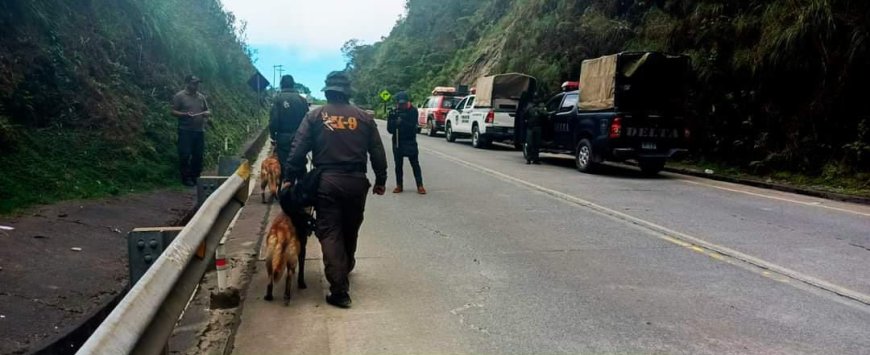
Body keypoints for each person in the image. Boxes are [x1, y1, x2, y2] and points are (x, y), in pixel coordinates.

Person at [283, 71, 388, 308]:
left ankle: (339, 290)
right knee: (350, 228)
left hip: (327, 182)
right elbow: (377, 152)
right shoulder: (364, 118)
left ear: (328, 91)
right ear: (347, 92)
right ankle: (345, 266)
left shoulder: (315, 116)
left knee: (330, 231)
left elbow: (298, 150)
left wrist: (290, 177)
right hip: (357, 182)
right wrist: (381, 179)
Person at [171, 75, 211, 186]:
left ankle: (196, 177)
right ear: (187, 83)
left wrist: (207, 114)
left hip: (199, 131)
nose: (196, 85)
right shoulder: (179, 96)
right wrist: (184, 114)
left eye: (197, 83)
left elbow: (207, 110)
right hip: (185, 130)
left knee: (198, 155)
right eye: (194, 83)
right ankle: (186, 178)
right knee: (185, 154)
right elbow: (173, 111)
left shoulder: (201, 97)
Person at [387, 92, 426, 194]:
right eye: (400, 104)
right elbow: (390, 130)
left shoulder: (413, 111)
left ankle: (420, 185)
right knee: (398, 165)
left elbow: (412, 127)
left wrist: (402, 122)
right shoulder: (394, 112)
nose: (402, 106)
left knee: (415, 164)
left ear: (408, 102)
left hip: (410, 141)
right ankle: (399, 185)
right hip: (398, 141)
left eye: (404, 104)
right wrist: (394, 122)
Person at [270, 75, 309, 174]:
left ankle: (286, 184)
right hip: (300, 138)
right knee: (300, 164)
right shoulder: (302, 100)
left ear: (281, 85)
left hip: (283, 139)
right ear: (293, 85)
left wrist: (273, 136)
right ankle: (301, 185)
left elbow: (274, 120)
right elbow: (308, 121)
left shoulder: (278, 99)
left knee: (284, 165)